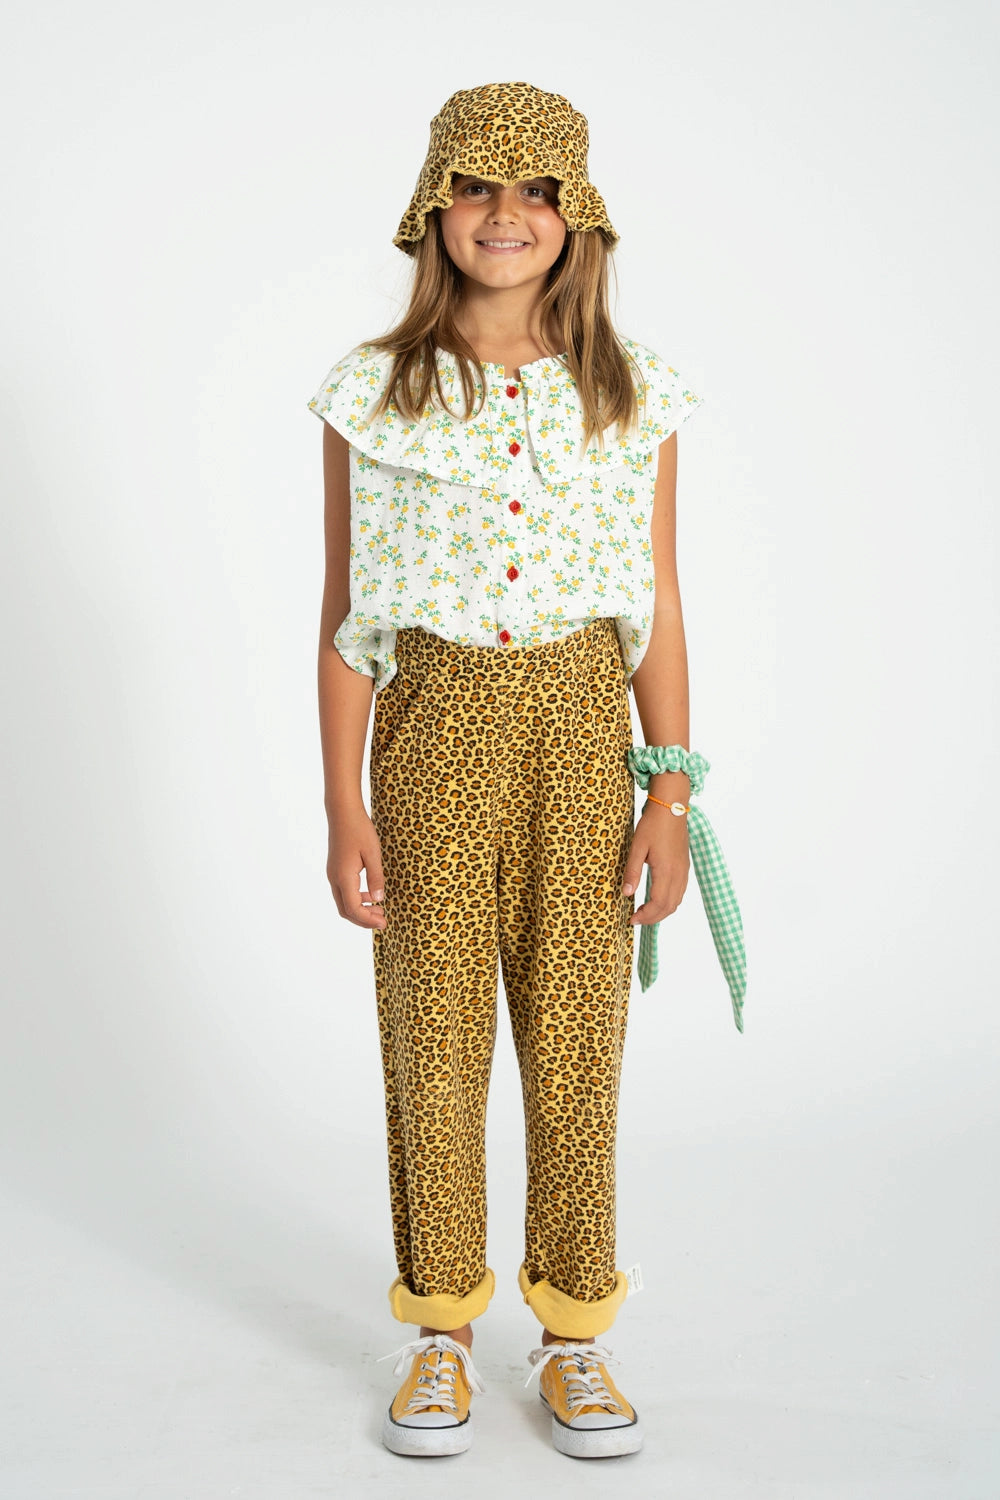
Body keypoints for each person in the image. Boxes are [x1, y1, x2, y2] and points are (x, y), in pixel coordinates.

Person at [310, 80, 742, 1462]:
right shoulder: (374, 394)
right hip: (432, 725)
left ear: (577, 215)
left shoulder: (632, 393)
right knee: (431, 1040)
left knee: (576, 1043)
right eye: (479, 187)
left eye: (538, 189)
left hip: (580, 729)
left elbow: (656, 603)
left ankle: (574, 1332)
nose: (508, 215)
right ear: (435, 208)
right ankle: (441, 1326)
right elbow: (347, 613)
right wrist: (344, 803)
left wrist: (667, 792)